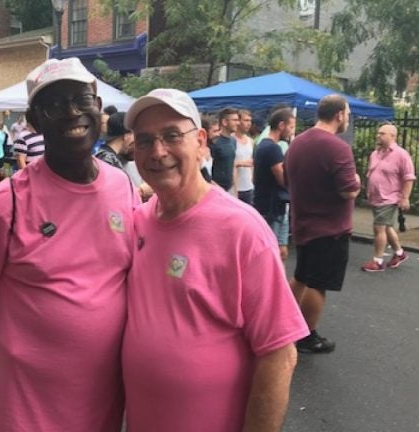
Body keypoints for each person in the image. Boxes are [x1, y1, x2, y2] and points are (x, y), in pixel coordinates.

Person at [0, 57, 137, 432]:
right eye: (54, 105)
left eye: (81, 99)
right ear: (34, 122)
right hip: (27, 411)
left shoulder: (123, 185)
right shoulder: (4, 204)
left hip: (102, 401)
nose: (72, 113)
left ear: (98, 108)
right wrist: (8, 365)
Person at [122, 88, 308, 432]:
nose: (158, 151)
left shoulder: (242, 229)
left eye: (172, 135)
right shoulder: (138, 221)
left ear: (201, 141)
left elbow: (280, 354)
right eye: (145, 140)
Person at [284, 94, 360, 354]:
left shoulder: (297, 143)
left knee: (302, 276)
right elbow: (349, 191)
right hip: (330, 229)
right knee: (318, 283)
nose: (348, 118)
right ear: (339, 114)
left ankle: (283, 322)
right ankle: (307, 336)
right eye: (347, 113)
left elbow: (287, 179)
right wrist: (358, 179)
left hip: (303, 223)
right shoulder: (337, 147)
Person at [361, 124, 416, 271]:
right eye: (378, 133)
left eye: (382, 133)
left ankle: (377, 261)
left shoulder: (401, 155)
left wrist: (405, 198)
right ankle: (399, 253)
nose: (378, 136)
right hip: (376, 197)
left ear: (393, 136)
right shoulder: (375, 154)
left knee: (378, 228)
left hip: (389, 198)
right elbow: (371, 173)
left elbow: (409, 178)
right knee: (386, 227)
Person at [254, 108, 296, 262]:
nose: (292, 131)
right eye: (291, 127)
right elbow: (283, 179)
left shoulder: (261, 145)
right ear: (281, 125)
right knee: (273, 252)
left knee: (279, 250)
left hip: (265, 202)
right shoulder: (273, 148)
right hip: (272, 206)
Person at [209, 107, 239, 193]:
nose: (238, 123)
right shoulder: (215, 142)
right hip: (215, 190)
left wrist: (235, 190)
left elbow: (232, 165)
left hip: (230, 189)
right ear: (224, 122)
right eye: (234, 120)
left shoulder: (233, 141)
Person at [234, 109, 255, 204]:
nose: (249, 124)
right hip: (235, 187)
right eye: (246, 120)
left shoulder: (251, 141)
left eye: (250, 121)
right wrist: (241, 163)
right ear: (238, 122)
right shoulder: (231, 141)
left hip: (249, 187)